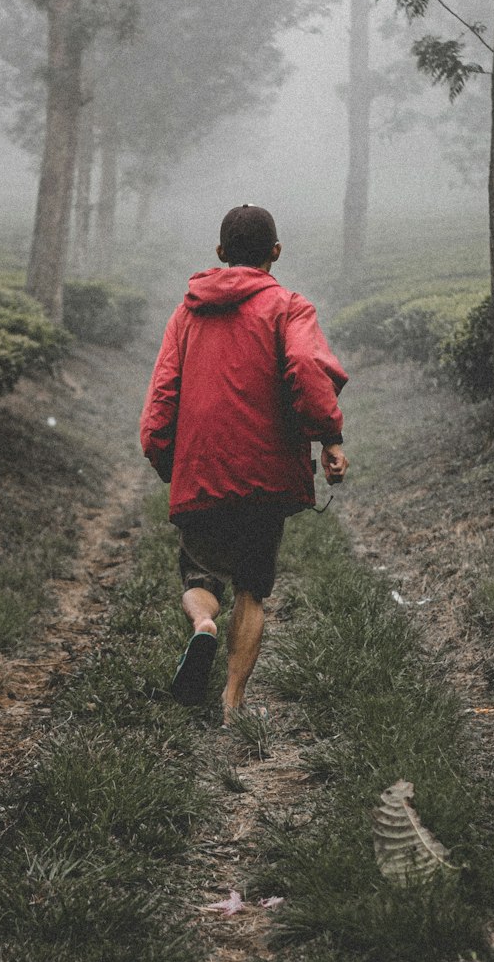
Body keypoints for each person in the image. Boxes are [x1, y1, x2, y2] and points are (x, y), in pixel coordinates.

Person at [140, 204, 348, 722]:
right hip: (267, 471)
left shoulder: (187, 312)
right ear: (275, 253)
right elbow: (305, 368)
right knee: (253, 585)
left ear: (219, 253)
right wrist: (329, 438)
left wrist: (167, 457)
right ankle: (232, 703)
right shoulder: (289, 307)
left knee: (200, 576)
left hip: (203, 465)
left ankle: (203, 626)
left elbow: (164, 394)